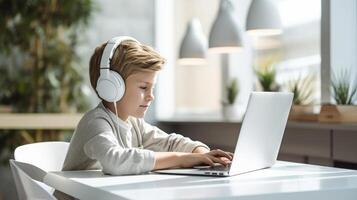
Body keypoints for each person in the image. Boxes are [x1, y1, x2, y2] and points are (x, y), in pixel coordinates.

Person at [55, 36, 232, 199]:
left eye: (152, 88)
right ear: (112, 87)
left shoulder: (134, 123)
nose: (150, 96)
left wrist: (200, 154)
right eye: (143, 87)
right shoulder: (96, 123)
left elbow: (170, 142)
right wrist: (182, 158)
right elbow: (115, 161)